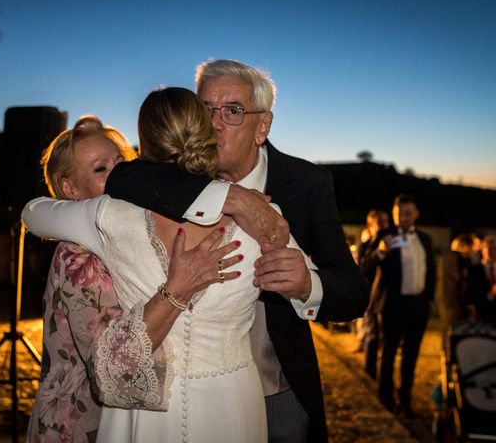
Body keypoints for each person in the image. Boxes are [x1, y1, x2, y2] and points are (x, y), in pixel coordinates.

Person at [23, 87, 320, 443]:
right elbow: (312, 284)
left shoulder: (107, 216)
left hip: (139, 418)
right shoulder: (262, 215)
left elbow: (33, 212)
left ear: (142, 148)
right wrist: (230, 197)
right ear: (206, 134)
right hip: (230, 402)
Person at [102, 59, 369, 442]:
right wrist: (237, 199)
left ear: (263, 126)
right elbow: (122, 175)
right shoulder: (174, 172)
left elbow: (353, 294)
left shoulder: (305, 183)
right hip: (180, 394)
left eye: (233, 111)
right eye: (205, 109)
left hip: (279, 387)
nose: (214, 123)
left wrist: (307, 285)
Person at [26, 117, 243, 443]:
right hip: (82, 425)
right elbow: (116, 369)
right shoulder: (79, 257)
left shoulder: (128, 230)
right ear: (69, 188)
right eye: (101, 169)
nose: (119, 176)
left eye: (122, 163)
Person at [368, 194, 435, 417]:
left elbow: (432, 270)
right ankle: (385, 396)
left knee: (411, 355)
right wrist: (381, 252)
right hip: (392, 305)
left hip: (418, 305)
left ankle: (405, 400)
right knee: (388, 352)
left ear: (416, 214)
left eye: (408, 213)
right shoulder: (384, 236)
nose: (403, 218)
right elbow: (365, 264)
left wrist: (428, 299)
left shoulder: (425, 239)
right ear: (394, 215)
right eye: (399, 214)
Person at [357, 209, 389, 378]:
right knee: (373, 332)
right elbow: (361, 266)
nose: (384, 226)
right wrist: (379, 254)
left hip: (387, 295)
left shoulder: (391, 241)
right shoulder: (367, 244)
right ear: (371, 225)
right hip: (370, 294)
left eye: (386, 221)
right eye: (380, 222)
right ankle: (370, 370)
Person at [441, 233, 480, 332]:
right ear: (465, 246)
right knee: (453, 329)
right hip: (454, 301)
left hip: (448, 300)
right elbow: (460, 277)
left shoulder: (448, 256)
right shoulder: (456, 257)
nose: (472, 251)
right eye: (471, 248)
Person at [466, 234, 496, 323]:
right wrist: (491, 294)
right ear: (482, 249)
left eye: (494, 248)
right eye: (488, 248)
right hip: (481, 317)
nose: (491, 251)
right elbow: (471, 295)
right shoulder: (474, 270)